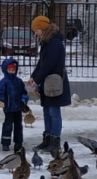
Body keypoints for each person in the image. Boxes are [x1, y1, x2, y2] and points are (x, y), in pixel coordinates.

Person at [27, 15, 71, 152]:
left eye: (36, 30)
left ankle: (55, 141)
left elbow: (48, 65)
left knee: (53, 111)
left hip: (54, 82)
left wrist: (37, 79)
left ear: (43, 28)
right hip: (47, 82)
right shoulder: (47, 42)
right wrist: (34, 77)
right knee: (47, 111)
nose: (35, 33)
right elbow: (42, 63)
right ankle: (47, 140)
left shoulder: (54, 43)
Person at [0, 58, 29, 151]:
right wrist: (1, 100)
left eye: (13, 70)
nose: (11, 71)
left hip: (18, 107)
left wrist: (23, 101)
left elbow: (24, 93)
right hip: (8, 108)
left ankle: (18, 142)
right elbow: (0, 92)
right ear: (5, 70)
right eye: (9, 70)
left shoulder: (19, 81)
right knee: (7, 125)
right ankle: (5, 143)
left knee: (18, 125)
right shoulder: (3, 82)